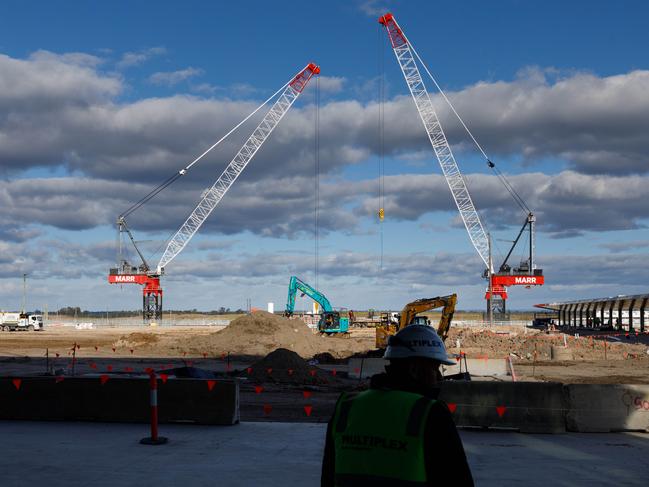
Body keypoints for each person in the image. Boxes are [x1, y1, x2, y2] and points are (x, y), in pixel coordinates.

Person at [321, 325, 474, 486]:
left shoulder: (346, 407)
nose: (439, 377)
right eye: (434, 369)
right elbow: (458, 479)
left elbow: (328, 478)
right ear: (414, 370)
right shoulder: (429, 413)